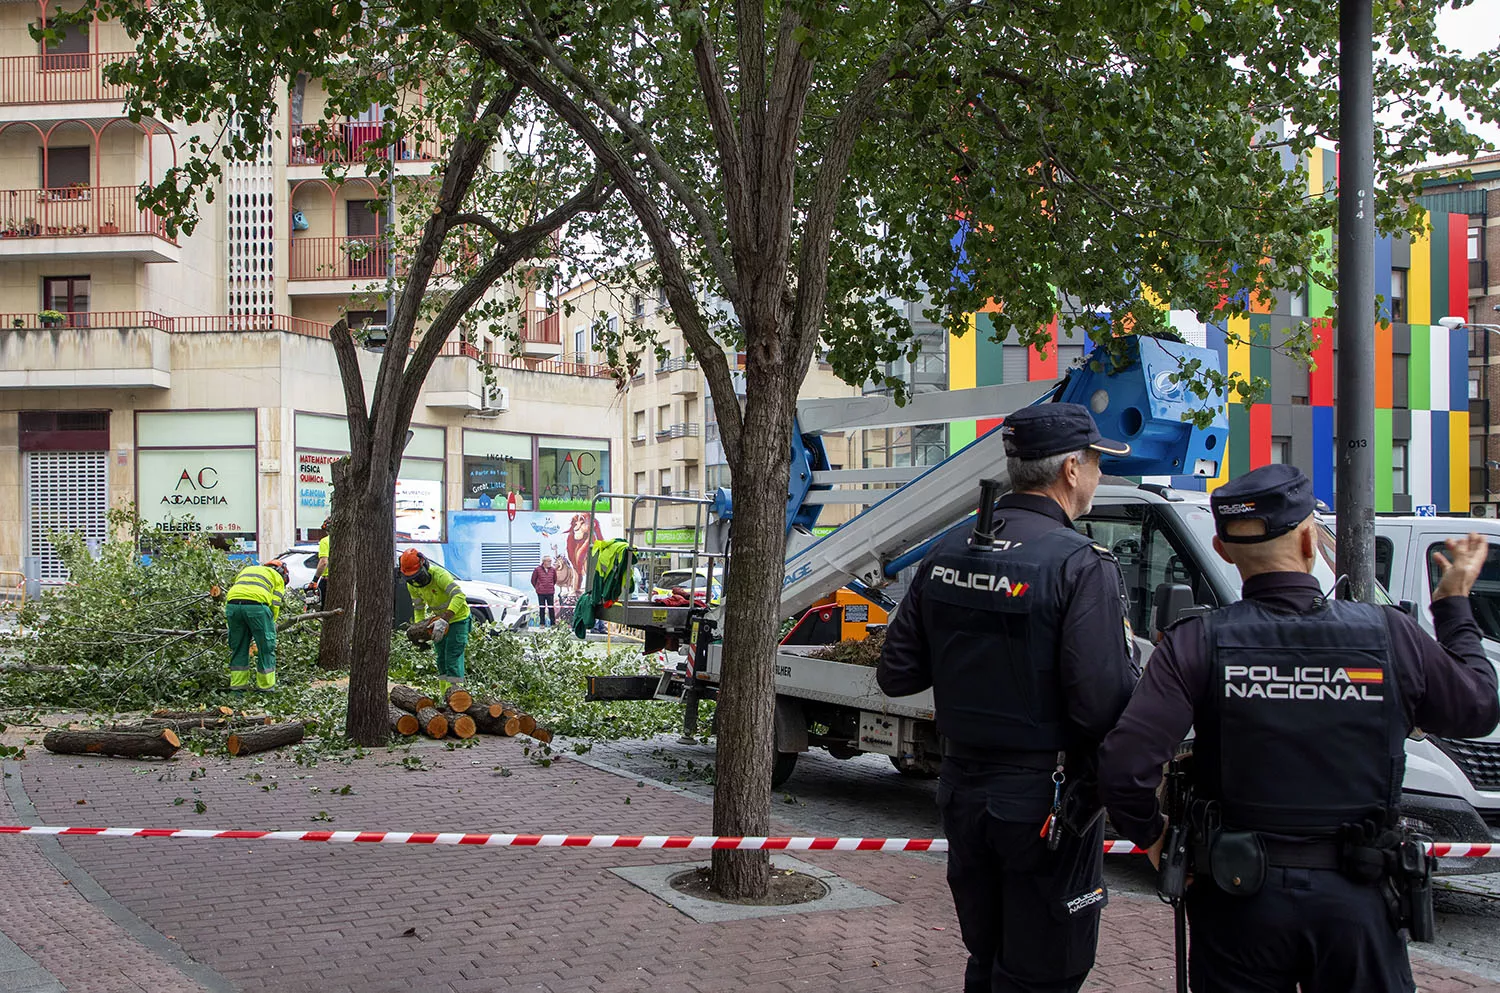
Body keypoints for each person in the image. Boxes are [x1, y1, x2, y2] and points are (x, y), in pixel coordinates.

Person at [1097, 464, 1500, 993]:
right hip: (1359, 901)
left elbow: (1125, 766)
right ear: (1311, 539)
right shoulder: (1390, 636)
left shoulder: (1197, 643)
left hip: (1237, 897)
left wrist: (1156, 840)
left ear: (1222, 549)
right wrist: (1452, 607)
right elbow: (1478, 709)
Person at [877, 402, 1140, 993]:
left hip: (962, 793)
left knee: (987, 956)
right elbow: (1103, 706)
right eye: (1096, 462)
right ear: (1071, 469)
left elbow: (896, 673)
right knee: (1047, 968)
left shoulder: (946, 553)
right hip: (1045, 804)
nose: (1099, 475)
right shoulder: (1079, 563)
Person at [399, 548, 472, 700]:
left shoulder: (440, 575)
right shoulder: (412, 584)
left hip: (458, 619)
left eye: (417, 576)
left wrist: (445, 619)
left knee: (452, 657)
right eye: (412, 578)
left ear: (423, 565)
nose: (416, 581)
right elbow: (419, 608)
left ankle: (456, 697)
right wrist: (420, 629)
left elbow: (459, 596)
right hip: (437, 621)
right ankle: (444, 696)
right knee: (441, 658)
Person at [225, 559, 289, 695]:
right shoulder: (276, 576)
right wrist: (272, 623)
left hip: (232, 606)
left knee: (239, 646)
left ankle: (237, 689)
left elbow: (238, 590)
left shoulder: (248, 570)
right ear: (282, 573)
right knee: (266, 647)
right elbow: (275, 604)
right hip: (257, 608)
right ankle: (265, 689)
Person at [531, 555, 558, 627]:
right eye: (549, 561)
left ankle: (553, 624)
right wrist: (538, 588)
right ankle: (542, 623)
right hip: (541, 593)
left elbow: (555, 580)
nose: (550, 562)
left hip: (550, 592)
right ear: (544, 562)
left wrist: (551, 586)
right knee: (542, 608)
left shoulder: (553, 570)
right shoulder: (537, 569)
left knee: (551, 608)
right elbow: (533, 580)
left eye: (550, 561)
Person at [312, 517, 331, 609]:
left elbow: (324, 562)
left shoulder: (325, 541)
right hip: (347, 580)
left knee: (324, 609)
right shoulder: (350, 541)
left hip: (328, 581)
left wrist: (315, 580)